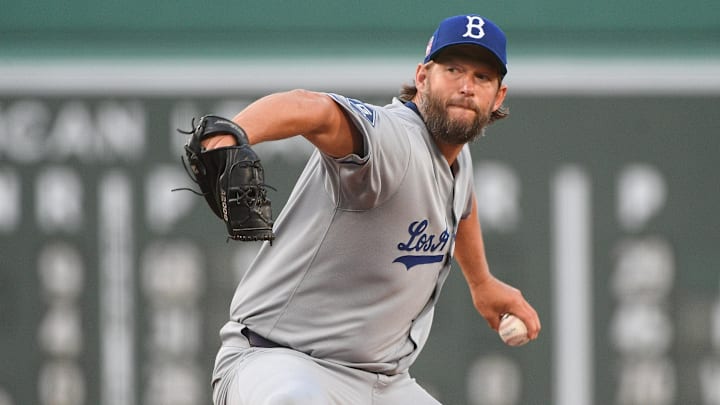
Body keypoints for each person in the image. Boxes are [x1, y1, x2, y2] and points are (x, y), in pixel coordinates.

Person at [206, 14, 541, 405]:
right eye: (453, 69)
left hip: (382, 383)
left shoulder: (455, 158)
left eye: (482, 77)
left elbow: (461, 203)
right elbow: (311, 109)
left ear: (498, 96)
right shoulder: (392, 138)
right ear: (422, 77)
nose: (466, 86)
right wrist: (230, 133)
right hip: (281, 361)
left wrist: (481, 281)